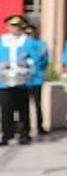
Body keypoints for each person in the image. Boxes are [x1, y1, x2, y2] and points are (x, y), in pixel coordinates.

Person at [0, 15, 35, 145]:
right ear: (8, 27)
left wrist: (27, 63)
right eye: (13, 26)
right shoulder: (2, 41)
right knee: (6, 110)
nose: (15, 29)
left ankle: (24, 134)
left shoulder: (28, 41)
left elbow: (36, 58)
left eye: (18, 26)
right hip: (5, 80)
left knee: (23, 109)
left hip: (22, 80)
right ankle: (6, 135)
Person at [24, 21, 49, 136]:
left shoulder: (40, 44)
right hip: (24, 79)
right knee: (23, 105)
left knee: (37, 103)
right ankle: (24, 127)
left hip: (36, 78)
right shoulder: (21, 45)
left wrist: (33, 58)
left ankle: (40, 125)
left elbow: (44, 61)